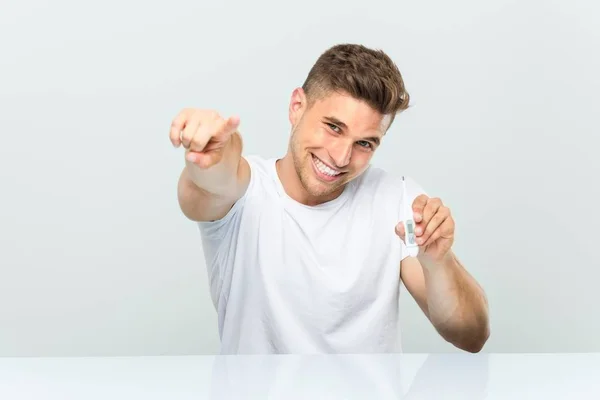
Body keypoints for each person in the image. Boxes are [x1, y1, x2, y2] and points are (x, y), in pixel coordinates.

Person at [169, 43, 490, 354]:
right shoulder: (246, 192)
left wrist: (438, 262)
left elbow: (471, 335)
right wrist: (212, 157)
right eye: (334, 127)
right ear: (297, 107)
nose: (340, 157)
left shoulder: (397, 200)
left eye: (365, 143)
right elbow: (206, 187)